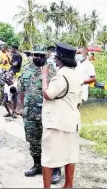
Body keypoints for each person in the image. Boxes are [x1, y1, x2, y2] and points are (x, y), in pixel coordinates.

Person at [41, 42, 82, 188]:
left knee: (48, 157)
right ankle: (68, 185)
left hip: (56, 122)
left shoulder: (61, 76)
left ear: (59, 60)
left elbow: (48, 94)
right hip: (72, 121)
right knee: (70, 155)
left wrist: (44, 77)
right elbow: (79, 99)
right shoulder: (77, 75)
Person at [20, 50, 60, 184]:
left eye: (41, 55)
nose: (37, 57)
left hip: (46, 113)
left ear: (46, 56)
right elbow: (22, 89)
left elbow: (56, 92)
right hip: (30, 112)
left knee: (51, 141)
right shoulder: (26, 68)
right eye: (35, 55)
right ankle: (37, 165)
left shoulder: (52, 70)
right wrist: (21, 107)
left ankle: (55, 170)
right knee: (33, 141)